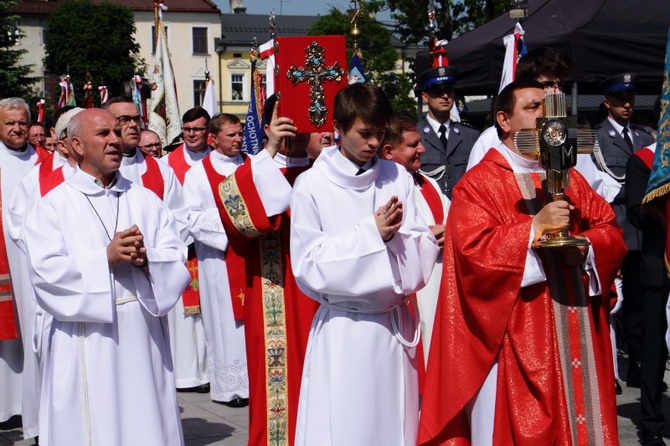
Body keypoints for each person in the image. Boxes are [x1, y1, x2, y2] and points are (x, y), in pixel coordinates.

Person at [418, 81, 627, 445]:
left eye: (549, 107)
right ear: (504, 119)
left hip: (575, 325)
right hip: (518, 332)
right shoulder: (479, 184)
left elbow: (608, 229)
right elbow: (470, 257)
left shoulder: (572, 178)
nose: (546, 116)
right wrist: (531, 230)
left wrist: (586, 247)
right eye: (533, 107)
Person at [23, 108, 190, 446]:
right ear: (76, 145)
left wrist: (147, 260)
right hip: (85, 337)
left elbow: (176, 257)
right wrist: (105, 258)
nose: (115, 139)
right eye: (103, 133)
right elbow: (44, 272)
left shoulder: (146, 200)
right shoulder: (53, 205)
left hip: (142, 337)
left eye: (117, 131)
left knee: (145, 420)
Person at [290, 83, 439, 445]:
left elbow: (419, 243)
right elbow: (308, 265)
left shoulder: (396, 176)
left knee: (392, 424)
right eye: (364, 133)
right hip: (345, 327)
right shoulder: (311, 185)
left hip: (391, 324)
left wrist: (408, 238)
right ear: (338, 127)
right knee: (347, 426)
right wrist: (371, 235)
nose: (374, 143)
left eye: (380, 133)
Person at [214, 95, 320, 445]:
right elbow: (235, 210)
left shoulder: (329, 172)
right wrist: (271, 148)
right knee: (278, 384)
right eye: (287, 121)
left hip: (327, 296)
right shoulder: (258, 170)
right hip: (275, 293)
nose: (297, 131)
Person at [6, 106, 84, 441]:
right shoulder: (38, 177)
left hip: (93, 279)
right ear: (64, 141)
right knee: (49, 350)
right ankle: (44, 425)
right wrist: (54, 256)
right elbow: (18, 225)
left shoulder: (106, 173)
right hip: (53, 279)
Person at [466, 47, 606, 197]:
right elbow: (475, 193)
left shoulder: (568, 135)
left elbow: (593, 193)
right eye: (547, 85)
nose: (556, 92)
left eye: (560, 85)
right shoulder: (491, 138)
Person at [181, 113, 249, 406]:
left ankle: (256, 381)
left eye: (239, 134)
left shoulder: (252, 165)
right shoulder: (197, 174)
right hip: (219, 260)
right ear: (214, 138)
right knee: (224, 320)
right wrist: (236, 221)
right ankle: (230, 387)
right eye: (231, 135)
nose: (238, 139)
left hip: (251, 255)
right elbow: (191, 217)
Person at [593, 73, 655, 389]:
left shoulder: (645, 137)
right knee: (612, 298)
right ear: (607, 102)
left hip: (644, 228)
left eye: (630, 99)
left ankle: (639, 362)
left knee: (641, 298)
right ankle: (614, 365)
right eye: (619, 99)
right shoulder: (595, 138)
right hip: (615, 226)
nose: (627, 104)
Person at [379, 113, 449, 364]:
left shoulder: (428, 183)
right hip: (406, 295)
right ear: (388, 151)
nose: (422, 149)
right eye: (412, 145)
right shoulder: (377, 188)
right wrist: (425, 238)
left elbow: (453, 221)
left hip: (439, 286)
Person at [161, 106, 212, 394]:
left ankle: (209, 369)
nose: (191, 135)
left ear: (208, 132)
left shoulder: (217, 160)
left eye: (198, 130)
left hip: (213, 246)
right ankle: (186, 373)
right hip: (183, 246)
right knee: (184, 316)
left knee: (210, 310)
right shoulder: (168, 163)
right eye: (187, 129)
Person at [0, 98, 44, 434]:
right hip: (4, 258)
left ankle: (32, 405)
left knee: (33, 331)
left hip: (36, 260)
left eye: (22, 122)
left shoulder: (45, 161)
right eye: (9, 123)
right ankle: (6, 406)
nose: (17, 129)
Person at [626, 109, 668, 446]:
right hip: (659, 265)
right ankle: (652, 421)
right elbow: (636, 212)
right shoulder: (643, 161)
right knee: (655, 350)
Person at [416, 57, 480, 199]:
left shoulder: (470, 135)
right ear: (425, 97)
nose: (445, 96)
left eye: (449, 91)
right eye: (438, 92)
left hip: (463, 210)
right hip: (430, 212)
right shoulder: (415, 135)